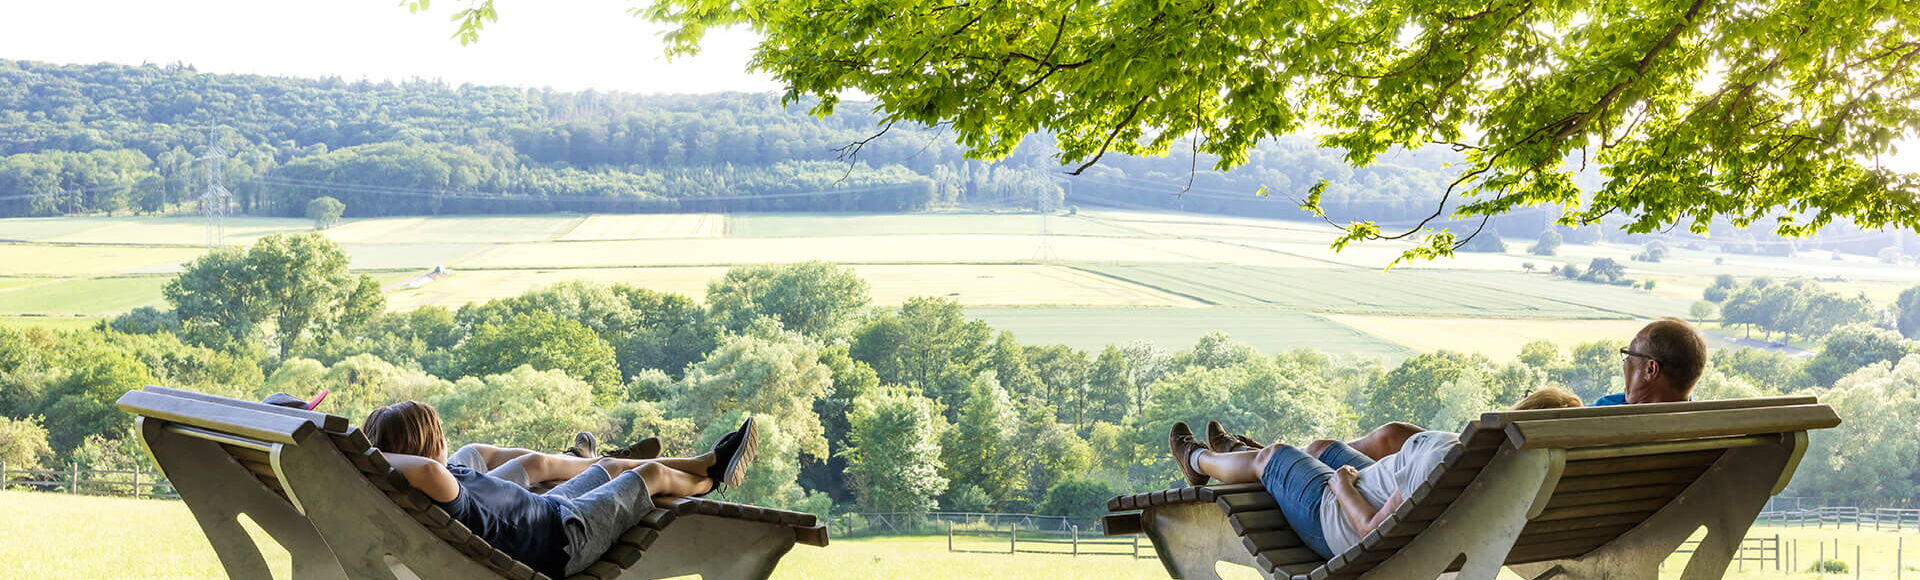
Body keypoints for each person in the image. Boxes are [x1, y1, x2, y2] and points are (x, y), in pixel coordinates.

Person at [1168, 388, 1584, 561]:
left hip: (1338, 524)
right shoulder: (1522, 474)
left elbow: (1370, 529)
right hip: (1424, 522)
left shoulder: (1449, 458)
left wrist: (1342, 485)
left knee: (1275, 456)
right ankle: (1240, 456)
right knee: (1320, 449)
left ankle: (1199, 461)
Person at [362, 401, 757, 578]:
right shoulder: (439, 482)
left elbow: (462, 458)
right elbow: (430, 467)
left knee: (611, 466)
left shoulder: (443, 477)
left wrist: (371, 454)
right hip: (564, 539)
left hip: (547, 508)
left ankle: (704, 461)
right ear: (427, 446)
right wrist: (370, 454)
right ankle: (711, 480)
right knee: (649, 474)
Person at [1594, 317, 1708, 406]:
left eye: (1630, 354)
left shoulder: (1597, 415)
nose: (1625, 362)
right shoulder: (1709, 423)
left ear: (1651, 369)